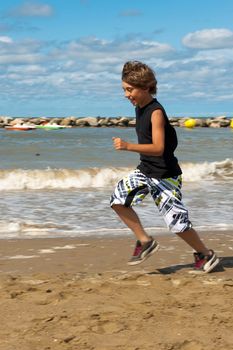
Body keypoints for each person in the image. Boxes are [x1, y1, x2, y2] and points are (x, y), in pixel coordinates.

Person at [110, 60, 219, 273]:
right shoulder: (139, 108)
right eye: (124, 89)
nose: (126, 94)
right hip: (145, 170)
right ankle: (145, 242)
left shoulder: (155, 112)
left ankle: (205, 254)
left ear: (146, 87)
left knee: (177, 223)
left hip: (165, 176)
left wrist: (127, 146)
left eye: (129, 89)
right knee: (118, 200)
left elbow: (159, 148)